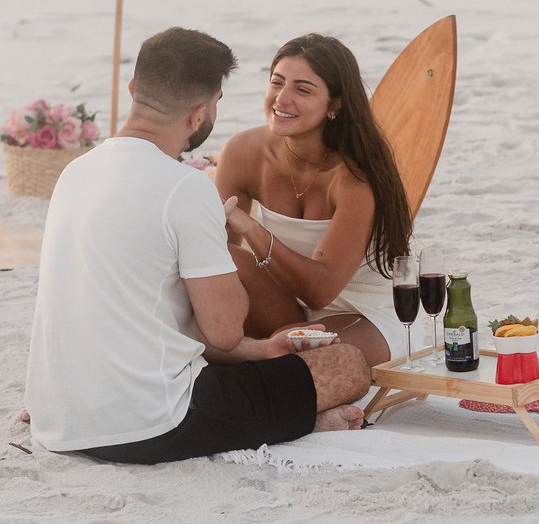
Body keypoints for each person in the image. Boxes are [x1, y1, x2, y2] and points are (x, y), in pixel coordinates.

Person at [24, 27, 371, 463]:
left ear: (133, 88)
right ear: (201, 113)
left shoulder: (75, 173)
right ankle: (300, 422)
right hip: (151, 425)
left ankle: (296, 419)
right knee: (348, 365)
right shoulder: (185, 188)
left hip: (59, 420)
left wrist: (262, 349)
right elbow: (223, 332)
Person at [214, 33, 412, 366]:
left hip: (363, 311)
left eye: (302, 90)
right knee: (218, 262)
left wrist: (252, 229)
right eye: (277, 82)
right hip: (285, 301)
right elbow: (217, 257)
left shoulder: (354, 179)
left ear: (334, 106)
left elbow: (320, 292)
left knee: (291, 355)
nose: (282, 99)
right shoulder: (243, 152)